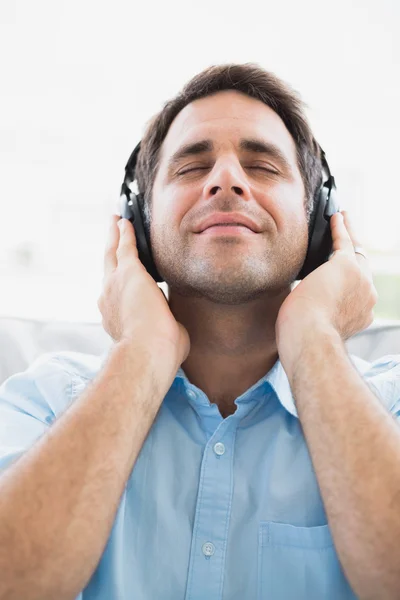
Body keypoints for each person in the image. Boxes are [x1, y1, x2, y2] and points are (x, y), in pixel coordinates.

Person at [0, 63, 400, 600]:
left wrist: (314, 338)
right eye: (191, 168)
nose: (227, 179)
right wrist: (144, 349)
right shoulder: (45, 401)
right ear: (137, 228)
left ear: (318, 225)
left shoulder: (389, 406)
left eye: (262, 166)